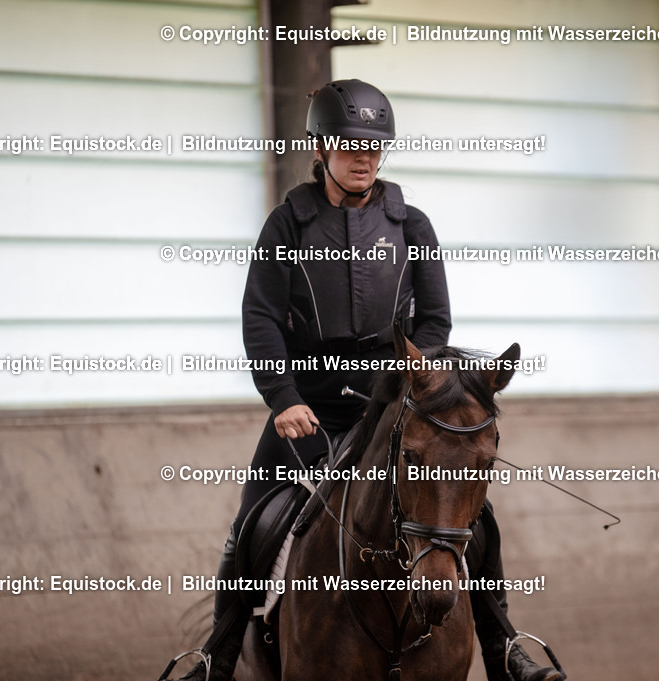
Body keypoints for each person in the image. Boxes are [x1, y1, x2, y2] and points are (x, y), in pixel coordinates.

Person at [171, 79, 560, 681]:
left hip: (391, 404)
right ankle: (213, 660)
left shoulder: (413, 225)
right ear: (321, 147)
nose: (364, 157)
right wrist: (282, 399)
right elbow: (262, 320)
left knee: (474, 522)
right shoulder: (287, 225)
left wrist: (418, 379)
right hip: (311, 407)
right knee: (251, 524)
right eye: (350, 144)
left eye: (375, 147)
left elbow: (434, 320)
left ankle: (505, 647)